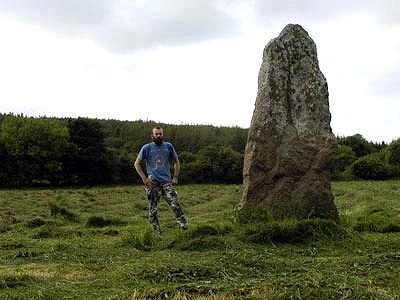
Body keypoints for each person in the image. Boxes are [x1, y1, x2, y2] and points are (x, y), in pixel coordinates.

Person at [134, 126, 188, 239]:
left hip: (167, 182)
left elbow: (176, 161)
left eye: (160, 134)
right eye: (156, 134)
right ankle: (156, 234)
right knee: (153, 209)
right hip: (152, 182)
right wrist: (144, 178)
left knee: (175, 204)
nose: (159, 136)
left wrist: (175, 177)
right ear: (152, 135)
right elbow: (137, 163)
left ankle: (184, 228)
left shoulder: (168, 146)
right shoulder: (147, 148)